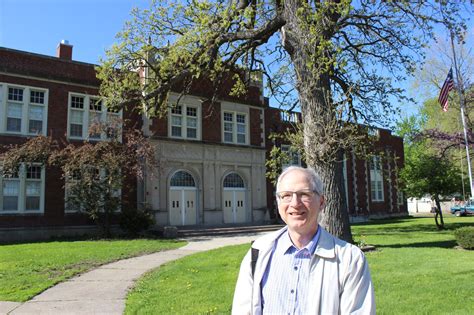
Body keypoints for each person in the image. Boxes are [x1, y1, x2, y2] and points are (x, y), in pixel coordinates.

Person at [232, 166, 375, 314]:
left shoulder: (350, 260)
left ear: (321, 202)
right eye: (286, 195)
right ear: (278, 201)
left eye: (304, 194)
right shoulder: (258, 253)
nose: (295, 203)